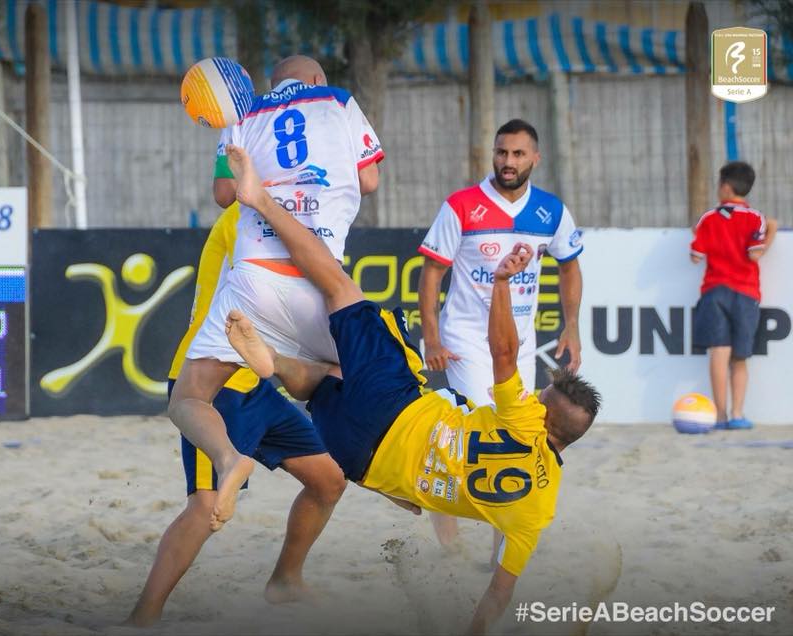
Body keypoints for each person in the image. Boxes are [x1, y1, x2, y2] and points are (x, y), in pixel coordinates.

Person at [222, 143, 601, 635]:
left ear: (548, 420)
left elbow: (504, 352)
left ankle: (261, 201)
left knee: (340, 288)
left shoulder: (524, 419)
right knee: (322, 382)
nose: (536, 397)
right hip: (358, 461)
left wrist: (503, 282)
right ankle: (273, 365)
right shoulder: (538, 511)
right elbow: (499, 593)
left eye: (543, 398)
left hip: (396, 406)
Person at [170, 54, 383, 531]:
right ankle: (388, 473)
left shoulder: (242, 114)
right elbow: (369, 180)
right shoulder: (338, 101)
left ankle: (228, 458)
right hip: (322, 279)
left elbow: (225, 195)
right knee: (350, 379)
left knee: (187, 398)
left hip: (256, 284)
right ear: (314, 80)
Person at [125, 203, 346, 626]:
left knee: (328, 480)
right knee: (205, 509)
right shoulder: (248, 221)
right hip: (216, 383)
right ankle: (142, 617)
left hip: (255, 385)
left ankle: (286, 580)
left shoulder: (281, 217)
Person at [417, 118, 584, 549]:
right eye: (501, 153)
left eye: (517, 154)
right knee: (471, 434)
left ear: (535, 158)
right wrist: (432, 339)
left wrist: (572, 327)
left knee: (519, 441)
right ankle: (450, 549)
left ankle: (498, 549)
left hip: (519, 346)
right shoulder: (461, 205)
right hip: (467, 342)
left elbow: (570, 267)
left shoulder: (552, 211)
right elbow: (432, 273)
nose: (507, 162)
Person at [690, 161, 777, 429]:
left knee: (719, 352)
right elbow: (755, 253)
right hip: (746, 293)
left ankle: (720, 415)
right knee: (740, 357)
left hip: (715, 290)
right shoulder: (756, 218)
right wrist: (772, 231)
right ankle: (738, 414)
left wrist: (700, 235)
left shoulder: (708, 219)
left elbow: (695, 257)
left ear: (725, 187)